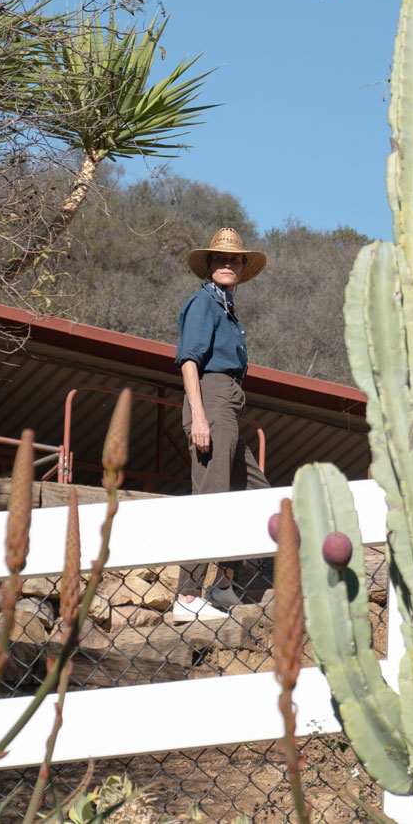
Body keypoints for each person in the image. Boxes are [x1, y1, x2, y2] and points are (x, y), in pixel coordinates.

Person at [172, 228, 271, 622]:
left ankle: (224, 583)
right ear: (210, 265)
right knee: (212, 493)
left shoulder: (227, 309)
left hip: (228, 404)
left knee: (254, 492)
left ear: (242, 267)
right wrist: (198, 416)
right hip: (210, 400)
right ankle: (187, 596)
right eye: (220, 259)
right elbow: (190, 361)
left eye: (234, 259)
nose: (227, 263)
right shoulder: (203, 304)